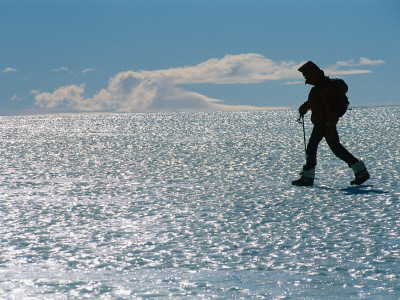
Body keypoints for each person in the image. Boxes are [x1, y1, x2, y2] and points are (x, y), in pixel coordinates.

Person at [292, 61, 370, 186]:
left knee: (314, 147)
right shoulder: (320, 86)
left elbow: (331, 108)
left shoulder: (324, 87)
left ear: (312, 73)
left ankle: (307, 178)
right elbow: (317, 103)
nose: (305, 77)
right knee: (335, 149)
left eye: (306, 74)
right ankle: (361, 172)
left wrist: (329, 124)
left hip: (324, 124)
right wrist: (305, 106)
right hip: (324, 123)